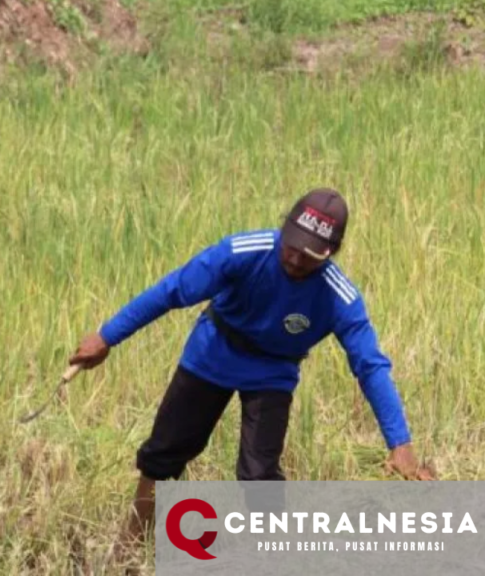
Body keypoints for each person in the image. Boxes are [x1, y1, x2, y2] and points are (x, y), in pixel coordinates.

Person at [67, 188, 437, 561]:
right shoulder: (243, 251)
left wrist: (399, 443)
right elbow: (173, 290)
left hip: (272, 371)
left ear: (331, 252)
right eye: (291, 245)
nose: (294, 258)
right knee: (162, 455)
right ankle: (128, 549)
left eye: (309, 255)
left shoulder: (339, 297)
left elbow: (370, 366)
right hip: (213, 352)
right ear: (285, 229)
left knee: (260, 477)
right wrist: (107, 336)